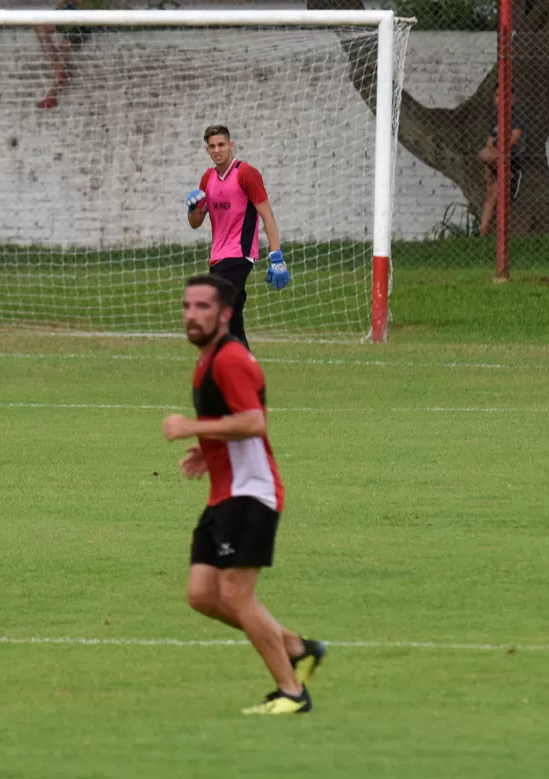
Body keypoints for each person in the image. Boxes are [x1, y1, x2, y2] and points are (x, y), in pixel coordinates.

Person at [161, 275, 326, 716]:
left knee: (235, 595)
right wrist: (208, 448)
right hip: (224, 492)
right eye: (186, 306)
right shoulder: (207, 358)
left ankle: (292, 692)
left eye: (202, 307)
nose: (192, 315)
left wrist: (192, 429)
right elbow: (234, 422)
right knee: (201, 594)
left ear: (226, 314)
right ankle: (294, 645)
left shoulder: (230, 359)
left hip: (251, 493)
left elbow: (253, 422)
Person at [184, 125, 288, 349]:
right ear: (207, 150)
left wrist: (276, 256)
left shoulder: (246, 173)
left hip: (240, 254)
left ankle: (232, 367)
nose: (217, 150)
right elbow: (196, 223)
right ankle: (245, 367)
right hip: (218, 257)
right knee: (232, 317)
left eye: (221, 145)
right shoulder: (207, 178)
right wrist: (192, 209)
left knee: (217, 307)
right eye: (212, 146)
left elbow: (267, 216)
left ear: (231, 146)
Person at [34, 0, 103, 110]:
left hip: (86, 18)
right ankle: (59, 70)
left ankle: (52, 93)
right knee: (40, 26)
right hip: (75, 15)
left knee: (64, 44)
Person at [479, 87, 527, 241]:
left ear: (512, 99)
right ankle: (482, 234)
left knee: (499, 197)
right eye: (497, 95)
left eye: (505, 96)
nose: (501, 99)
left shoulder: (516, 116)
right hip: (496, 162)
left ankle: (501, 239)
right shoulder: (495, 118)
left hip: (511, 160)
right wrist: (494, 151)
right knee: (490, 195)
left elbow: (514, 139)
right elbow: (489, 143)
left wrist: (497, 152)